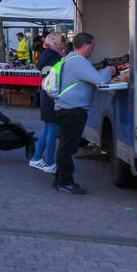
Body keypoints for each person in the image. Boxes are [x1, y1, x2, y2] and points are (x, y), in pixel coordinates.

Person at [52, 32, 117, 194]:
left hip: (66, 108)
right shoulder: (79, 62)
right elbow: (99, 79)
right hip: (73, 110)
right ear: (86, 46)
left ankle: (60, 179)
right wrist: (110, 71)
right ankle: (65, 182)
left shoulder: (70, 59)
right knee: (68, 147)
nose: (93, 50)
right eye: (93, 46)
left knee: (65, 146)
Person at [30, 32, 65, 173]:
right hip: (52, 96)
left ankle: (36, 158)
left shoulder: (46, 55)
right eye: (62, 40)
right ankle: (49, 163)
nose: (65, 43)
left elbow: (45, 75)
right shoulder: (54, 57)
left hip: (46, 94)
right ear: (55, 43)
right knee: (53, 130)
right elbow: (54, 78)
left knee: (48, 128)